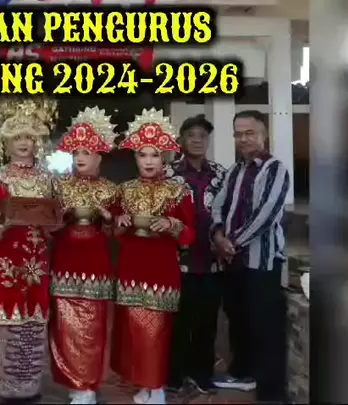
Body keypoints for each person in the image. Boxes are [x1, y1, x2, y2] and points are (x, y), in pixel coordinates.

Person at [110, 108, 196, 405]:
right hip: (131, 268)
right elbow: (115, 232)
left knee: (156, 332)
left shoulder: (178, 191)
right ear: (135, 157)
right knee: (134, 332)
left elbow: (190, 233)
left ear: (165, 158)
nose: (148, 161)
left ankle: (156, 387)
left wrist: (172, 224)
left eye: (155, 155)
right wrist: (119, 222)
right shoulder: (124, 191)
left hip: (161, 271)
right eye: (142, 155)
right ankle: (144, 384)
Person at [209, 110, 290, 402]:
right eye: (238, 134)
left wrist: (231, 243)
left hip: (262, 262)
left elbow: (266, 215)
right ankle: (243, 373)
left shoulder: (276, 169)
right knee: (239, 319)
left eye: (250, 133)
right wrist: (218, 235)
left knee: (265, 325)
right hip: (233, 261)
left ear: (264, 135)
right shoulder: (234, 171)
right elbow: (218, 206)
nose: (243, 139)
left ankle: (271, 392)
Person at [0, 97, 58, 402]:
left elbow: (56, 222)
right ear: (6, 143)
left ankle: (31, 387)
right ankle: (8, 388)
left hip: (39, 258)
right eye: (17, 137)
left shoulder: (48, 180)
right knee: (9, 315)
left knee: (35, 317)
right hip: (7, 257)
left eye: (29, 137)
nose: (24, 143)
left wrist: (53, 226)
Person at [49, 107, 118, 405]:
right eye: (76, 152)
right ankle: (74, 383)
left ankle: (88, 385)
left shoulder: (111, 190)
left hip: (96, 266)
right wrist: (60, 217)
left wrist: (108, 218)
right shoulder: (59, 187)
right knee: (64, 329)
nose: (80, 157)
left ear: (99, 157)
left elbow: (119, 233)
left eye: (87, 152)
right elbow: (49, 228)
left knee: (92, 329)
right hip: (65, 264)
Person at [165, 114, 226, 394]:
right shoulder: (169, 175)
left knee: (207, 321)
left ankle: (203, 375)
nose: (198, 141)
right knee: (178, 321)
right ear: (181, 140)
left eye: (203, 136)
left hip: (212, 261)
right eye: (192, 136)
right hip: (179, 261)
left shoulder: (221, 174)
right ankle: (176, 376)